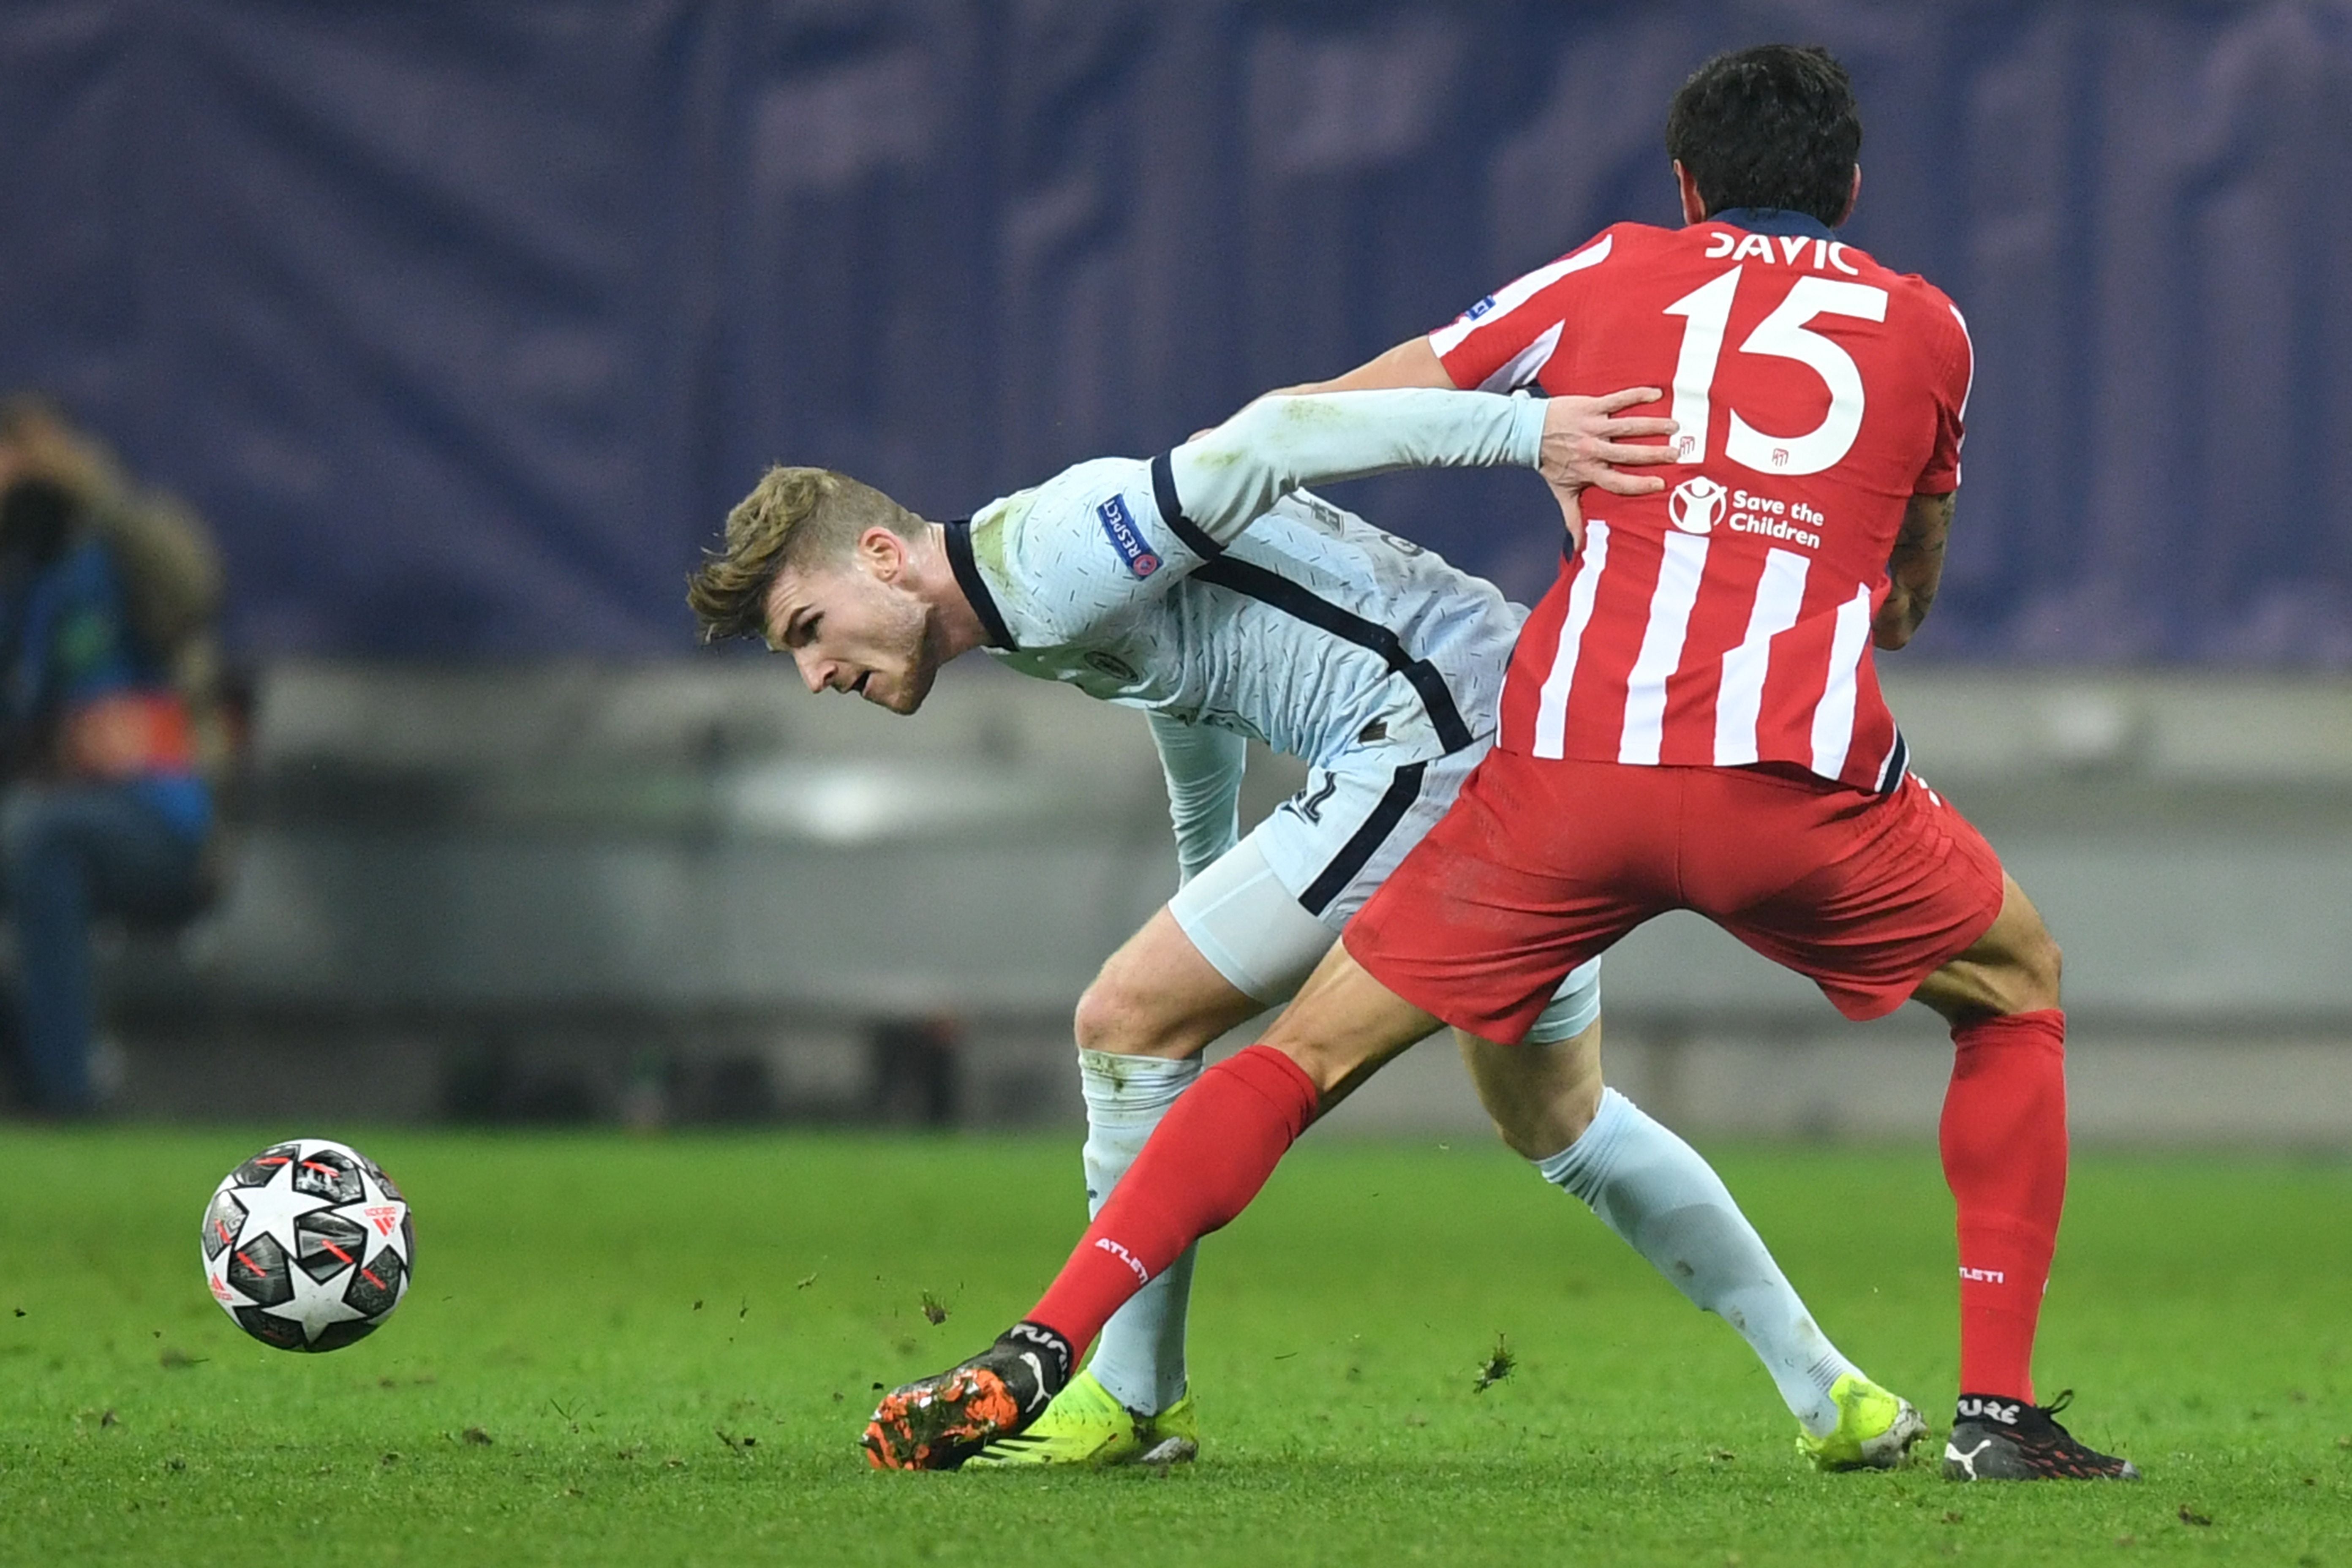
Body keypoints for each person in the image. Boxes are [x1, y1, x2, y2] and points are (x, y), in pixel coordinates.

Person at [864, 44, 2138, 1484]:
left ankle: (1045, 1344)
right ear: (1848, 186)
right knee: (2010, 987)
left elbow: (1344, 412)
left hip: (1555, 780)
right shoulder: (1929, 329)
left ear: (1682, 187)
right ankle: (1997, 1414)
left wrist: (1527, 433)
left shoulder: (1605, 272)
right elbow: (1901, 594)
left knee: (1295, 1057)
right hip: (1790, 781)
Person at [689, 384, 1923, 1472]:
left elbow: (1275, 433)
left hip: (1434, 736)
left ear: (882, 559)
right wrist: (1204, 877)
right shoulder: (1029, 602)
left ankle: (1122, 1394)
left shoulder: (1052, 550)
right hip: (1525, 730)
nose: (814, 674)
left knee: (1126, 1019)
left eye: (808, 631)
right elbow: (1187, 695)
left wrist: (1525, 428)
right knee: (1558, 1116)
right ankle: (1835, 1393)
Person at [0, 398, 222, 1117]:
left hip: (155, 815)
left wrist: (92, 491)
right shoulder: (25, 581)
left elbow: (193, 589)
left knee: (40, 839)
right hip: (49, 807)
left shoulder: (112, 555)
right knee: (36, 835)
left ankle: (68, 1093)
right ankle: (36, 1070)